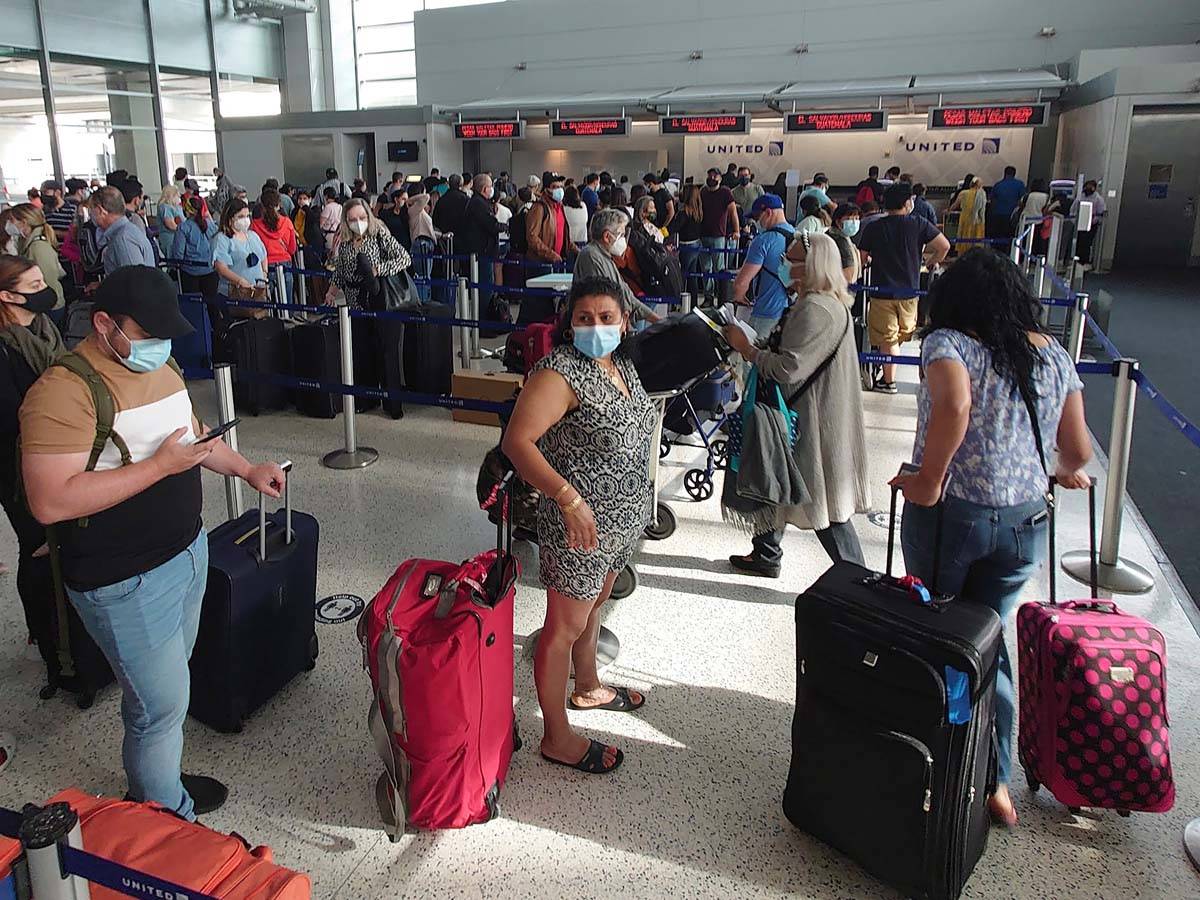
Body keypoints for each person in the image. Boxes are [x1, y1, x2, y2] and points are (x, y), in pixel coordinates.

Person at [21, 265, 287, 821]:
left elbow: (191, 441)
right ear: (102, 325)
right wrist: (159, 468)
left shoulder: (161, 365)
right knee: (158, 707)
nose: (161, 345)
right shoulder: (63, 393)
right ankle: (167, 818)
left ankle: (158, 776)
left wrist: (244, 468)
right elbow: (50, 501)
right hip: (123, 580)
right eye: (146, 333)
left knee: (167, 693)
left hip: (186, 554)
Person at [891, 247, 1092, 828]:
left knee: (937, 636)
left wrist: (928, 481)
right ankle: (996, 778)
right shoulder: (1053, 352)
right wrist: (1042, 469)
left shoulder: (948, 343)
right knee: (990, 641)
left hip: (955, 516)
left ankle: (934, 762)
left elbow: (953, 405)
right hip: (1026, 521)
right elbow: (1076, 450)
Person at [501, 275, 654, 775]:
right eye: (584, 318)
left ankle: (587, 687)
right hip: (578, 526)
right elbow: (517, 442)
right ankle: (556, 735)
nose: (595, 327)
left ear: (624, 320)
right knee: (563, 626)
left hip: (618, 521)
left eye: (606, 318)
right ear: (570, 322)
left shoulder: (623, 367)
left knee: (595, 608)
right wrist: (567, 498)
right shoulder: (560, 372)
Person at [723, 231, 869, 576]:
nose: (783, 265)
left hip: (811, 419)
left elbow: (789, 367)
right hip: (805, 411)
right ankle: (766, 553)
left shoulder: (816, 309)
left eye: (791, 259)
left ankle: (856, 576)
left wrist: (748, 350)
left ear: (811, 265)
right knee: (776, 477)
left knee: (820, 500)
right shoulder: (817, 302)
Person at [0, 256, 65, 675]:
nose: (46, 287)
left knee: (58, 541)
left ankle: (64, 627)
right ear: (8, 295)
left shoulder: (44, 329)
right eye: (35, 282)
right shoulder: (5, 347)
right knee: (36, 545)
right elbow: (10, 416)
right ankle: (42, 633)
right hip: (15, 463)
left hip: (57, 448)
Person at [857, 183, 950, 394]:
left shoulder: (874, 227)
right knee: (901, 334)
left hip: (882, 292)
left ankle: (889, 382)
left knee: (888, 338)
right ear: (908, 203)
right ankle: (888, 371)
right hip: (911, 291)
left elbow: (862, 258)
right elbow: (944, 246)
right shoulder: (919, 224)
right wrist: (930, 263)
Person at [573, 210, 660, 325]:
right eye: (621, 235)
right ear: (607, 236)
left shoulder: (605, 257)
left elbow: (626, 294)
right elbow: (606, 298)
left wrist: (657, 320)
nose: (624, 239)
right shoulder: (591, 256)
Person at [323, 199, 411, 310]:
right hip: (353, 303)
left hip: (379, 300)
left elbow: (404, 258)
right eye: (353, 220)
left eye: (362, 218)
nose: (358, 222)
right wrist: (331, 293)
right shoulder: (345, 242)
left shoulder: (378, 234)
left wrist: (378, 269)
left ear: (369, 216)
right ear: (346, 221)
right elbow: (341, 270)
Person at [731, 194, 795, 339]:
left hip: (766, 313)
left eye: (757, 217)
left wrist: (739, 297)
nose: (756, 221)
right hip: (792, 312)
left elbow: (741, 283)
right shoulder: (797, 235)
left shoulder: (763, 241)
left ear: (768, 212)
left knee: (756, 357)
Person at [7, 205, 66, 309]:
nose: (9, 224)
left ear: (24, 222)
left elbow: (49, 280)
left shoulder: (38, 247)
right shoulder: (28, 242)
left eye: (12, 220)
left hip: (49, 306)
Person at [458, 175, 502, 302]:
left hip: (482, 251)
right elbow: (491, 224)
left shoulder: (477, 202)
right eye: (490, 187)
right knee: (485, 290)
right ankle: (484, 318)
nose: (492, 189)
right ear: (484, 189)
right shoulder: (479, 204)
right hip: (482, 252)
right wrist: (503, 227)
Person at [211, 199, 268, 298]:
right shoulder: (222, 239)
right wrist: (240, 281)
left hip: (257, 292)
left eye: (247, 216)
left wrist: (264, 272)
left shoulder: (253, 236)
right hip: (234, 293)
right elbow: (221, 268)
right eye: (240, 216)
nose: (245, 220)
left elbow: (263, 256)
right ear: (230, 218)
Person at [250, 188, 299, 302]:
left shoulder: (255, 226)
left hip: (265, 268)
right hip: (285, 265)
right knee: (287, 302)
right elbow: (292, 249)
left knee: (268, 303)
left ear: (261, 206)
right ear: (279, 205)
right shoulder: (287, 222)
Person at [700, 167, 740, 299]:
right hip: (703, 235)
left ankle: (721, 295)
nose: (712, 178)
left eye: (715, 176)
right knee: (706, 269)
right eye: (710, 175)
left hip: (719, 235)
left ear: (720, 178)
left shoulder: (725, 192)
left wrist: (736, 230)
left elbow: (733, 212)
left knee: (719, 268)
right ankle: (708, 296)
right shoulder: (703, 192)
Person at [170, 197, 220, 300]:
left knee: (194, 308)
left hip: (190, 273)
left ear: (186, 211)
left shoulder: (183, 227)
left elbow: (178, 254)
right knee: (213, 306)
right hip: (211, 271)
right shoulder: (211, 225)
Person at [526, 174, 577, 266]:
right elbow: (532, 237)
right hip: (541, 263)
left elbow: (563, 234)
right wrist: (550, 255)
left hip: (557, 261)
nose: (559, 190)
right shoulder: (539, 208)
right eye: (555, 187)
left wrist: (577, 250)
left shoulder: (560, 207)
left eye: (561, 187)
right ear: (546, 189)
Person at [667, 182, 704, 297]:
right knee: (692, 276)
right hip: (696, 244)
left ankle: (679, 301)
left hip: (686, 246)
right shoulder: (698, 212)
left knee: (681, 275)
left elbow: (673, 228)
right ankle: (693, 303)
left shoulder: (683, 213)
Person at [947, 176, 986, 254]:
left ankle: (963, 254)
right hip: (979, 221)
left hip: (966, 219)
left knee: (965, 238)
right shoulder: (982, 194)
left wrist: (948, 210)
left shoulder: (963, 193)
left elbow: (955, 205)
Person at [1071, 180, 1106, 267]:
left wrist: (1092, 221)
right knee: (1078, 242)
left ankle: (1085, 262)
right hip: (1079, 224)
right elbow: (1073, 209)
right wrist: (1074, 221)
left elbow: (1100, 213)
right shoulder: (1080, 197)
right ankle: (1076, 261)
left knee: (1087, 243)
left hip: (1091, 225)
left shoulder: (1098, 199)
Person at [988, 166, 1026, 239]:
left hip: (998, 215)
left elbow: (992, 200)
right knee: (1009, 238)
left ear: (1005, 173)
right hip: (1011, 216)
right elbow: (1023, 199)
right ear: (1014, 174)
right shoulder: (1020, 184)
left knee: (998, 237)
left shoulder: (998, 185)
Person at [431, 173, 469, 237]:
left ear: (448, 184)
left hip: (445, 236)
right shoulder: (466, 199)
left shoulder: (441, 200)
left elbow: (435, 220)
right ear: (461, 185)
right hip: (463, 235)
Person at [155, 186, 185, 261]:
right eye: (177, 195)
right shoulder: (165, 207)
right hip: (169, 238)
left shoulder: (177, 207)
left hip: (178, 236)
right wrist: (183, 231)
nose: (179, 197)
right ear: (172, 196)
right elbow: (170, 225)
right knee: (172, 261)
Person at [319, 187, 344, 256]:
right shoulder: (340, 206)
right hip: (338, 235)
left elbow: (321, 224)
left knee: (330, 256)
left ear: (326, 196)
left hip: (329, 236)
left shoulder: (328, 207)